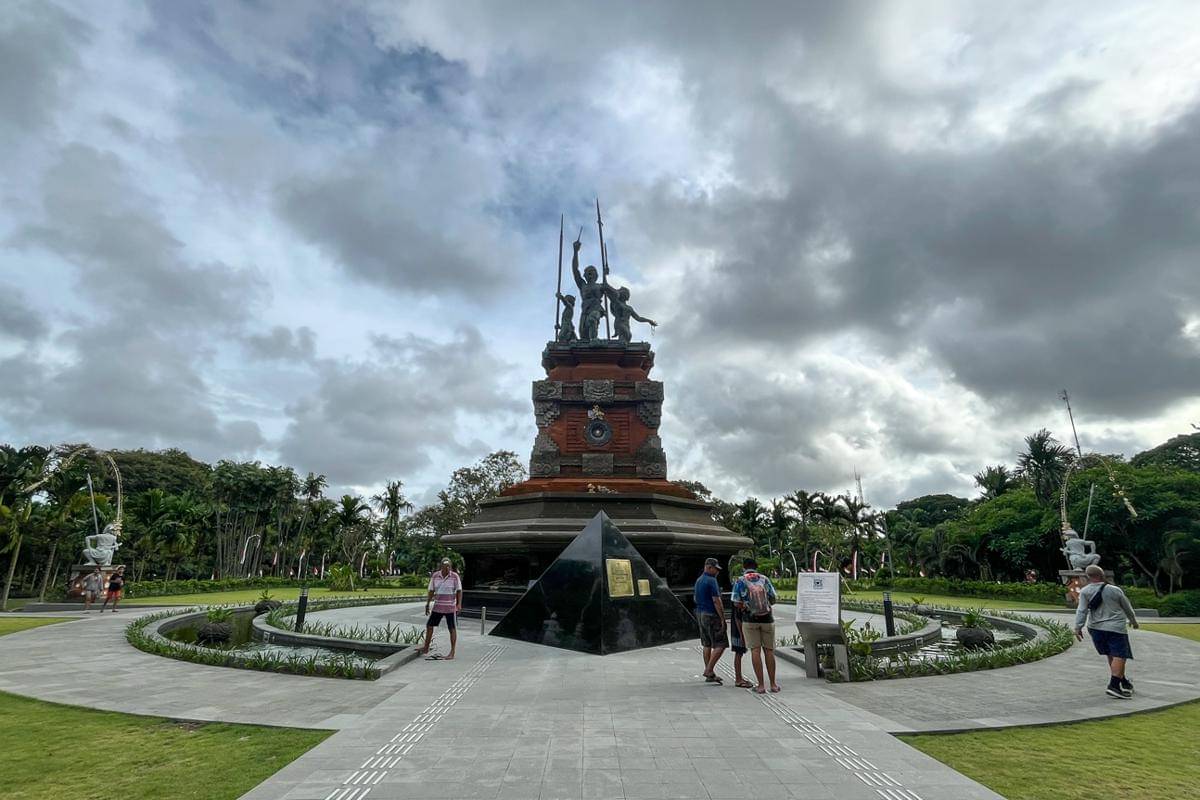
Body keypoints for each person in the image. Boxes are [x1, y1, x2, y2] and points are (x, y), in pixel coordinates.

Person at [1074, 564, 1139, 698]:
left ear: (1088, 576)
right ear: (1102, 575)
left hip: (1095, 628)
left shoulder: (1085, 591)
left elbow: (1082, 610)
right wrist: (1133, 621)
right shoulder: (1114, 590)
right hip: (1115, 628)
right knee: (1120, 655)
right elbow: (1127, 607)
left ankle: (1123, 682)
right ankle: (1114, 686)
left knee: (1112, 655)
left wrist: (1078, 627)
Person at [732, 557, 779, 693]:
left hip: (749, 620)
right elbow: (773, 598)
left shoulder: (740, 581)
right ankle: (773, 685)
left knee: (755, 651)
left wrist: (747, 606)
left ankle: (761, 686)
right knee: (769, 651)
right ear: (756, 567)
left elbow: (736, 602)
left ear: (744, 567)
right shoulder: (764, 579)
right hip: (767, 619)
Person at [693, 557, 727, 683]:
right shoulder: (711, 580)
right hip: (711, 614)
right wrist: (722, 618)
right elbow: (716, 601)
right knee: (721, 644)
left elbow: (695, 598)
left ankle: (710, 674)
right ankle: (709, 669)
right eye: (715, 569)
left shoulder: (699, 580)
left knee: (706, 643)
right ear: (708, 567)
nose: (717, 571)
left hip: (700, 613)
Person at [421, 558, 462, 660]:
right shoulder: (435, 576)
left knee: (452, 628)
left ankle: (452, 652)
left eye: (448, 566)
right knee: (429, 625)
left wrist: (459, 604)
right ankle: (426, 647)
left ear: (450, 566)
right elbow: (431, 590)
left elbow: (459, 591)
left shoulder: (455, 576)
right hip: (438, 606)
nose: (447, 568)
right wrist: (427, 604)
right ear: (441, 566)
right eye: (445, 566)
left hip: (450, 607)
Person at [571, 238, 608, 341]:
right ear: (585, 275)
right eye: (588, 272)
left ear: (596, 275)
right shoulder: (583, 285)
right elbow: (575, 270)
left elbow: (614, 295)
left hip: (596, 309)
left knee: (592, 320)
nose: (590, 273)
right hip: (585, 311)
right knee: (583, 335)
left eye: (592, 271)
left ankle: (595, 340)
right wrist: (575, 252)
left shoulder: (600, 286)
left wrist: (606, 278)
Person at [728, 560, 754, 689]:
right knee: (755, 650)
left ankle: (738, 678)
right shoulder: (760, 580)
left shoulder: (739, 582)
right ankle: (740, 679)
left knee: (739, 651)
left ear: (744, 568)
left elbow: (735, 607)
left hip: (739, 621)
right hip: (753, 621)